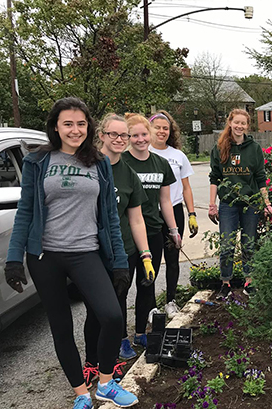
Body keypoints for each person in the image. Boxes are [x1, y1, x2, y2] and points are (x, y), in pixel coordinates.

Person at [4, 97, 138, 409]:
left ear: (88, 127)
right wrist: (12, 259)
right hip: (45, 256)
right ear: (55, 127)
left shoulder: (99, 163)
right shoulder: (39, 162)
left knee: (111, 315)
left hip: (86, 252)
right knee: (61, 327)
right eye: (68, 123)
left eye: (81, 124)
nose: (75, 130)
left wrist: (119, 261)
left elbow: (109, 216)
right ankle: (81, 395)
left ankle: (105, 383)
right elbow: (25, 212)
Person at [81, 115, 156, 389]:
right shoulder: (86, 166)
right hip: (90, 253)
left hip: (123, 253)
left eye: (124, 135)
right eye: (114, 134)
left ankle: (109, 363)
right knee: (95, 311)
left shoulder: (128, 174)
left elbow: (136, 219)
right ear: (101, 134)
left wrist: (145, 254)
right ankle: (91, 363)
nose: (120, 140)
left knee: (116, 310)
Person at [122, 113, 180, 348]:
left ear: (151, 134)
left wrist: (173, 229)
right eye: (134, 135)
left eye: (144, 134)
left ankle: (140, 333)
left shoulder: (160, 163)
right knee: (122, 286)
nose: (140, 139)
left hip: (153, 231)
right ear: (127, 137)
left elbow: (165, 201)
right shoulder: (121, 162)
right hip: (126, 235)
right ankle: (120, 338)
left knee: (147, 284)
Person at [208, 108, 272, 297]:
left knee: (249, 243)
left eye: (243, 123)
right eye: (236, 122)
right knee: (227, 244)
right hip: (228, 203)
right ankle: (226, 283)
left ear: (247, 126)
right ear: (230, 123)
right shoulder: (219, 148)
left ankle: (249, 281)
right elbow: (214, 178)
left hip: (250, 203)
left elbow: (261, 178)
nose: (239, 126)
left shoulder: (254, 149)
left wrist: (266, 203)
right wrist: (212, 204)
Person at [149, 110, 197, 316]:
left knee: (172, 258)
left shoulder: (178, 156)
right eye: (157, 127)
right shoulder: (143, 153)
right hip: (149, 213)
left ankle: (170, 301)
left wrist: (192, 213)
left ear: (171, 131)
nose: (161, 131)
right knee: (150, 260)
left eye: (165, 128)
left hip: (175, 211)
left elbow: (186, 187)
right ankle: (149, 306)